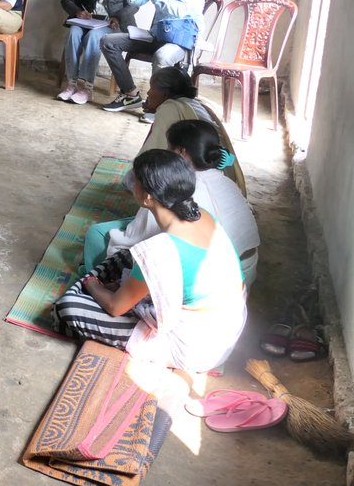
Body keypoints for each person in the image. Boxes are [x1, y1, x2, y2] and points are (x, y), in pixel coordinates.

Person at [53, 150, 247, 373]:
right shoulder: (202, 215)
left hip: (192, 349)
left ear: (147, 197)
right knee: (130, 255)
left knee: (69, 306)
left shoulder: (159, 250)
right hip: (227, 329)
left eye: (135, 181)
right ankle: (114, 289)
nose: (131, 184)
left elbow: (115, 307)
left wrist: (92, 284)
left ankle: (93, 289)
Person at [82, 120, 259, 284]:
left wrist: (115, 263)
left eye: (169, 147)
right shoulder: (226, 183)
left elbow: (135, 243)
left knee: (97, 234)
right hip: (243, 275)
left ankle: (95, 281)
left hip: (205, 281)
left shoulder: (169, 190)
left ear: (181, 152)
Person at [101, 0, 208, 113]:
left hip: (180, 40)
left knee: (162, 56)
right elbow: (142, 0)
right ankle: (131, 95)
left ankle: (159, 109)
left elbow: (179, 10)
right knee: (108, 41)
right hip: (158, 34)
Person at [56, 0, 136, 105]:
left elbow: (134, 5)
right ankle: (71, 84)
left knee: (94, 37)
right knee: (74, 34)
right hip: (88, 21)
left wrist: (118, 17)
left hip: (112, 23)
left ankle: (87, 88)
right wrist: (77, 11)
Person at [138, 67, 245, 192]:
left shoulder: (169, 109)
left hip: (202, 185)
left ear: (165, 93)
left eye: (152, 87)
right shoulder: (198, 104)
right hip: (225, 181)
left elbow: (151, 156)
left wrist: (132, 179)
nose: (148, 93)